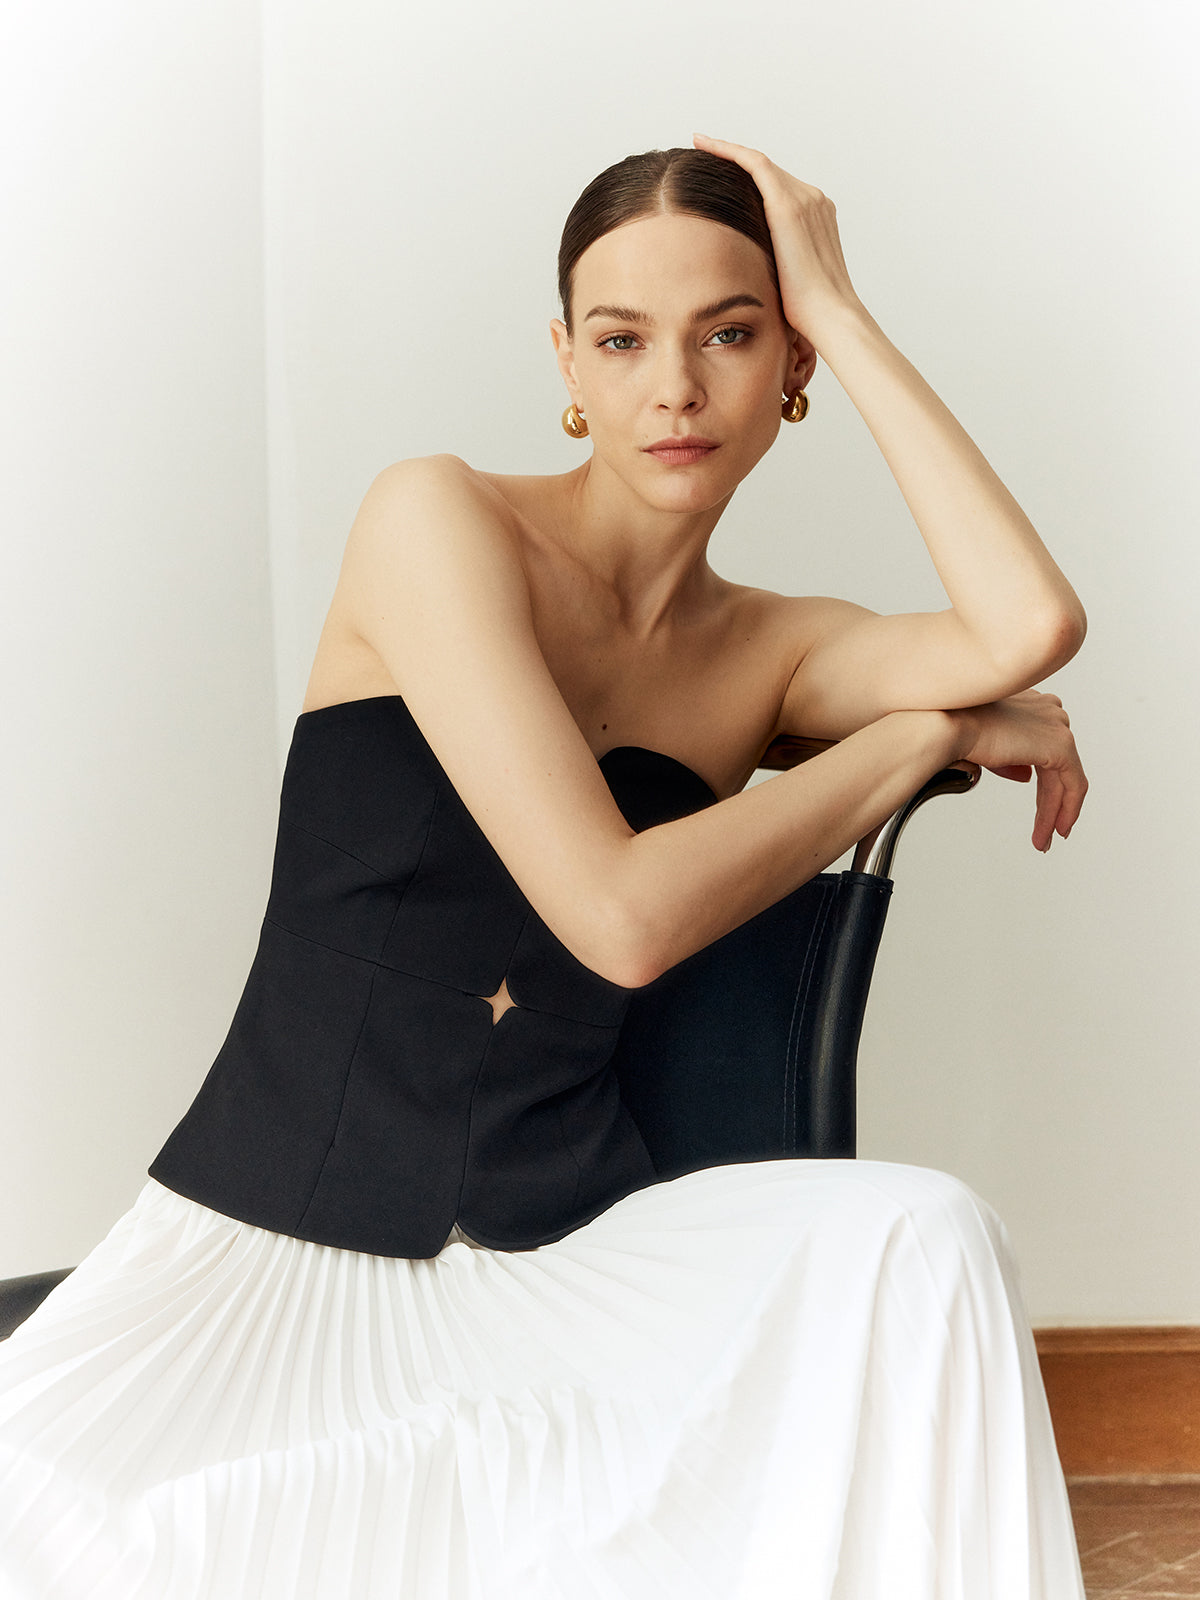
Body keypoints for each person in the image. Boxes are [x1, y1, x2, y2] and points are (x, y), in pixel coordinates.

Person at [0, 134, 1089, 1598]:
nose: (675, 388)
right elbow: (619, 917)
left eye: (732, 335)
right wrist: (916, 740)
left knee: (930, 1239)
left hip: (569, 1253)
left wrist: (838, 305)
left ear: (792, 371)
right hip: (280, 1258)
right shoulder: (436, 518)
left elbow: (1030, 625)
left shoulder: (769, 649)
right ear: (567, 360)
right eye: (623, 340)